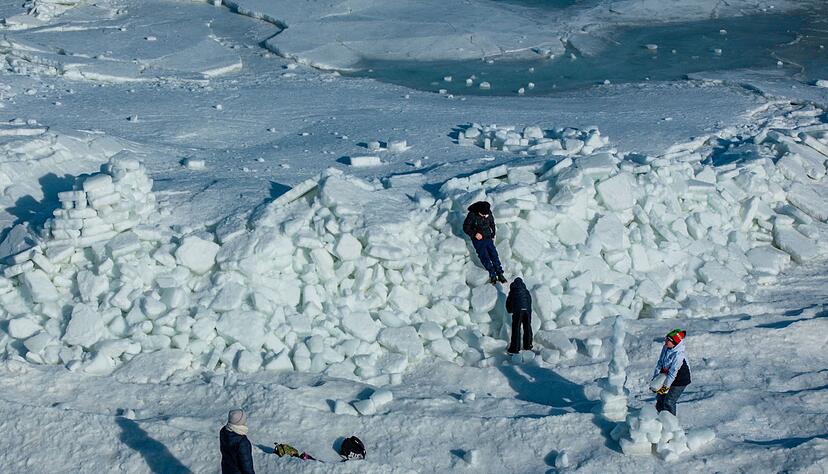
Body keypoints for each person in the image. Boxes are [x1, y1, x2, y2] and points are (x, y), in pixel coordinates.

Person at [462, 201, 506, 285]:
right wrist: (475, 234)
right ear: (479, 212)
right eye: (483, 215)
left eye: (487, 215)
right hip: (478, 240)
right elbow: (465, 227)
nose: (486, 216)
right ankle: (492, 273)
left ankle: (499, 273)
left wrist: (493, 233)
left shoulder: (487, 212)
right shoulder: (472, 215)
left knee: (494, 254)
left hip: (488, 237)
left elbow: (492, 223)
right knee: (484, 257)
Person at [650, 328, 691, 416]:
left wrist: (665, 387)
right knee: (660, 397)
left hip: (680, 380)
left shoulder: (678, 355)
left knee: (669, 401)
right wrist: (655, 379)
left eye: (668, 340)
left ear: (674, 343)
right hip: (666, 375)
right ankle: (659, 418)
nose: (665, 340)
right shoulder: (666, 347)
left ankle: (671, 423)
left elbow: (673, 373)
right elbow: (660, 363)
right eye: (666, 338)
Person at [220, 409, 255, 474]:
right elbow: (246, 466)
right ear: (239, 422)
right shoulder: (242, 442)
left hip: (226, 470)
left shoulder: (224, 431)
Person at [505, 277, 533, 354]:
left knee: (516, 329)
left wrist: (510, 311)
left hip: (518, 312)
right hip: (527, 312)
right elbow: (529, 303)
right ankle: (528, 345)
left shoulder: (513, 291)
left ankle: (515, 348)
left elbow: (508, 303)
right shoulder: (526, 292)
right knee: (527, 328)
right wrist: (529, 315)